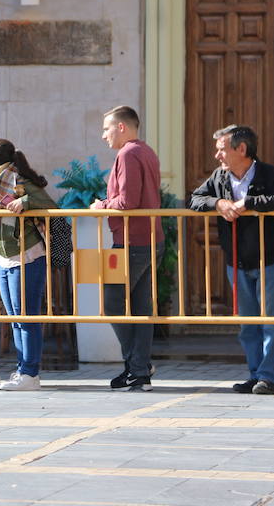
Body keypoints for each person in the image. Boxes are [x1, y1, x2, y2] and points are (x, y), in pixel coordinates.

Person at [189, 125, 274, 395]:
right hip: (236, 261)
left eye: (222, 149)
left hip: (269, 260)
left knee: (273, 322)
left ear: (242, 149)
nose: (217, 155)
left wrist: (249, 203)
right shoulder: (218, 177)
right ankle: (255, 373)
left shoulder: (269, 173)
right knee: (248, 324)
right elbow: (195, 199)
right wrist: (219, 204)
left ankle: (269, 378)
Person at [0, 138, 58, 391]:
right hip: (5, 256)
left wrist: (26, 203)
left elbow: (50, 204)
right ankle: (24, 371)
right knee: (15, 317)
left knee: (26, 315)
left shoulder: (18, 181)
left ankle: (30, 373)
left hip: (28, 255)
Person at [90, 105, 164, 392]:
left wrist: (100, 206)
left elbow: (127, 201)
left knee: (112, 303)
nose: (103, 135)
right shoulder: (145, 150)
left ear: (122, 127)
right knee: (142, 308)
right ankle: (139, 371)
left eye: (107, 128)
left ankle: (137, 367)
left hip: (132, 241)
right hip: (149, 239)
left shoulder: (128, 153)